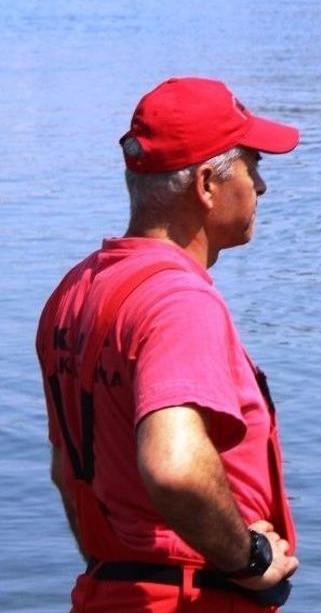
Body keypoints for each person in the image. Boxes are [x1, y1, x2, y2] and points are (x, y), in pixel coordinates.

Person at [36, 77, 301, 612]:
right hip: (189, 599)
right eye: (252, 166)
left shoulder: (75, 292)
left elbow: (68, 471)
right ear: (206, 185)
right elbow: (173, 467)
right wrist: (249, 559)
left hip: (105, 593)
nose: (261, 187)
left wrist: (119, 565)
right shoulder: (180, 302)